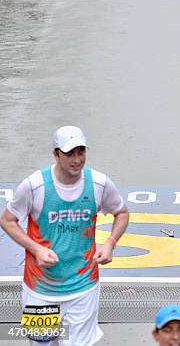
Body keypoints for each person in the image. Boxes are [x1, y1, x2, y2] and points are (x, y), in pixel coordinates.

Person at [0, 126, 129, 346]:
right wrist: (36, 249)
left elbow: (122, 212)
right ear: (56, 154)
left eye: (81, 152)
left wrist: (110, 243)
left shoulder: (98, 183)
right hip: (40, 290)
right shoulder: (34, 186)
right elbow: (7, 220)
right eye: (70, 153)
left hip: (83, 288)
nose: (77, 160)